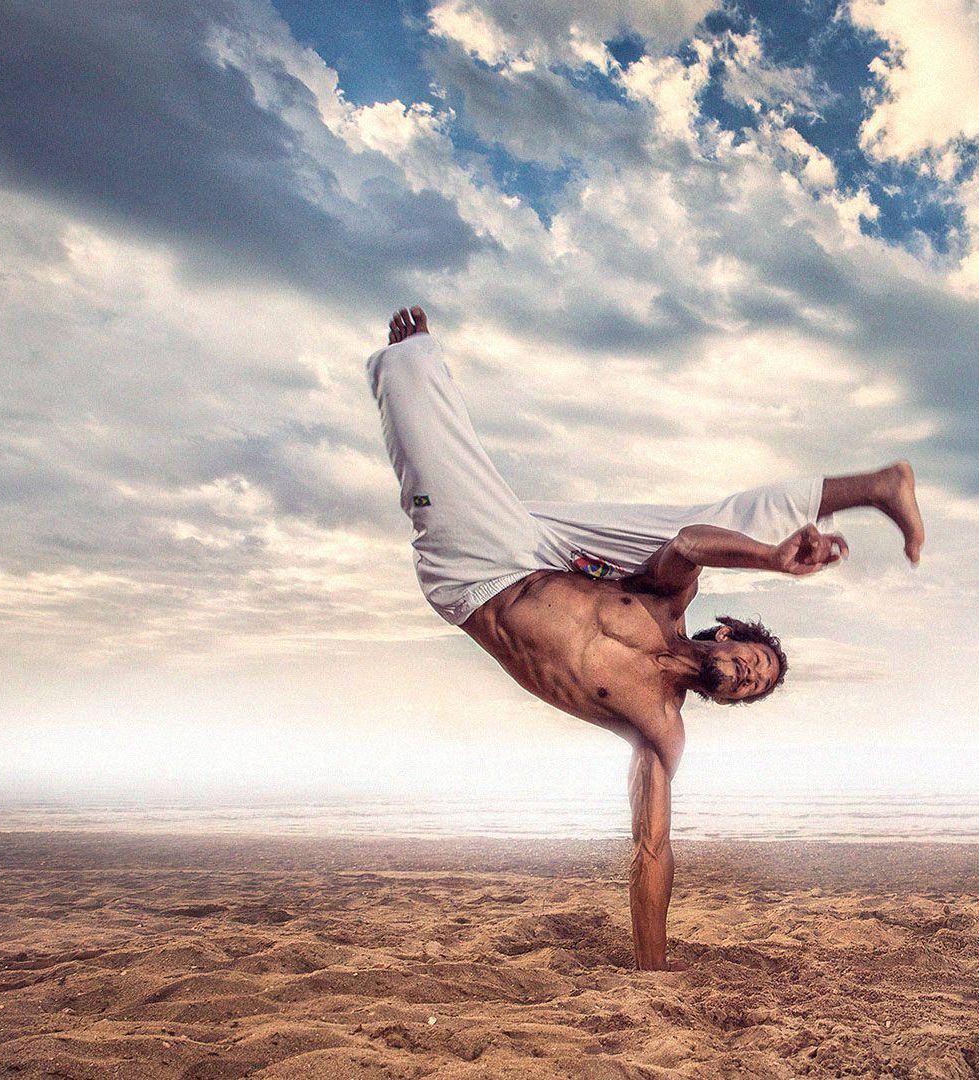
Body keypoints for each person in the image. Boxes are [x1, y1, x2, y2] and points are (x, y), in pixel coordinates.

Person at [368, 306, 925, 970]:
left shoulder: (659, 725)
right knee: (707, 525)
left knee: (434, 475)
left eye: (755, 685)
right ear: (724, 634)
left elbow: (652, 849)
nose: (749, 675)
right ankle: (876, 485)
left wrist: (651, 970)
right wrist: (773, 558)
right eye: (752, 660)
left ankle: (410, 372)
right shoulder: (667, 602)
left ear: (733, 701)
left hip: (470, 579)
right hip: (541, 550)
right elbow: (688, 545)